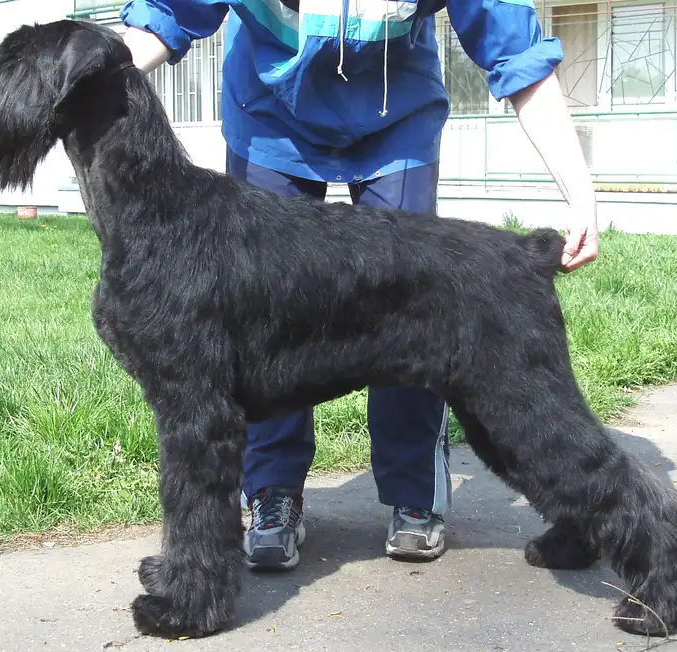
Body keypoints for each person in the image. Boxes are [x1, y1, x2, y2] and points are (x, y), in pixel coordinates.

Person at [119, 0, 599, 572]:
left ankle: (414, 494)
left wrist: (581, 194)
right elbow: (168, 13)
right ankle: (272, 492)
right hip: (272, 119)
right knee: (263, 326)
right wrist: (83, 71)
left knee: (425, 315)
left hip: (397, 123)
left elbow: (515, 48)